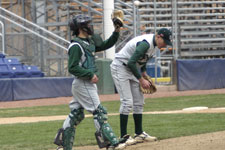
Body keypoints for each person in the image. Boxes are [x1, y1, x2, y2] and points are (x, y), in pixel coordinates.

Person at [54, 14, 125, 150]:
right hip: (83, 83)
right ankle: (111, 143)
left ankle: (64, 146)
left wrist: (116, 30)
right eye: (87, 24)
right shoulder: (76, 45)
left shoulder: (89, 42)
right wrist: (89, 74)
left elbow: (105, 44)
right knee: (99, 112)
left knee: (76, 114)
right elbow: (72, 67)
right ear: (81, 28)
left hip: (84, 84)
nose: (90, 26)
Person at [110, 28, 172, 146]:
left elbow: (142, 60)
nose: (164, 45)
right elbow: (131, 62)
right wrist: (141, 79)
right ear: (158, 36)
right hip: (120, 67)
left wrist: (143, 73)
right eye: (164, 41)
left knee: (139, 102)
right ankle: (123, 136)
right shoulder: (145, 43)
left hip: (131, 68)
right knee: (127, 102)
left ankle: (139, 133)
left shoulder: (155, 45)